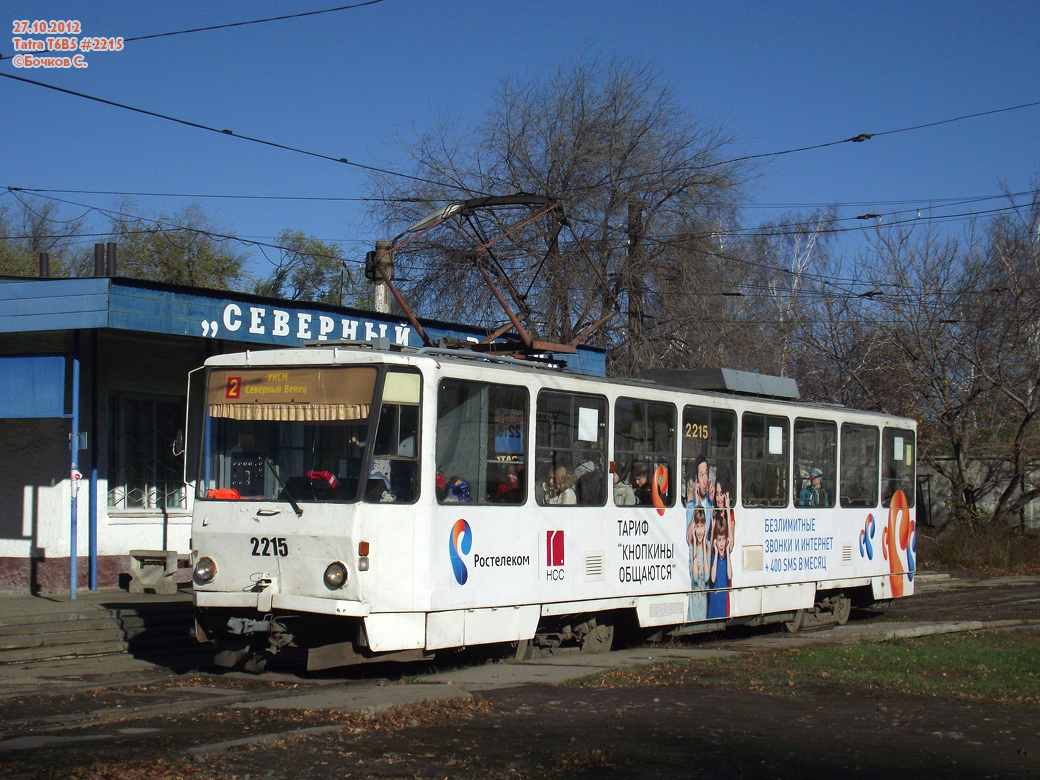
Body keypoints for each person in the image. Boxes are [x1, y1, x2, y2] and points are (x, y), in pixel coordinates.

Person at [687, 507, 709, 621]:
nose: (700, 531)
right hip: (693, 604)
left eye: (702, 526)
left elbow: (707, 577)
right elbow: (695, 578)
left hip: (703, 603)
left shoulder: (708, 546)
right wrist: (695, 543)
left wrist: (704, 544)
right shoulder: (692, 548)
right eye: (697, 526)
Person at [707, 521, 731, 619]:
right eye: (719, 540)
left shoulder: (727, 559)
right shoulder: (713, 557)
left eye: (723, 539)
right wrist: (716, 553)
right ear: (715, 541)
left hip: (723, 601)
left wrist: (727, 553)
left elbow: (729, 576)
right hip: (715, 601)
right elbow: (713, 579)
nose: (721, 544)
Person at [714, 466, 735, 553]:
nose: (719, 499)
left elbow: (731, 546)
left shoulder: (730, 513)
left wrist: (727, 509)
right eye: (717, 494)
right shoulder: (714, 513)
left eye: (721, 494)